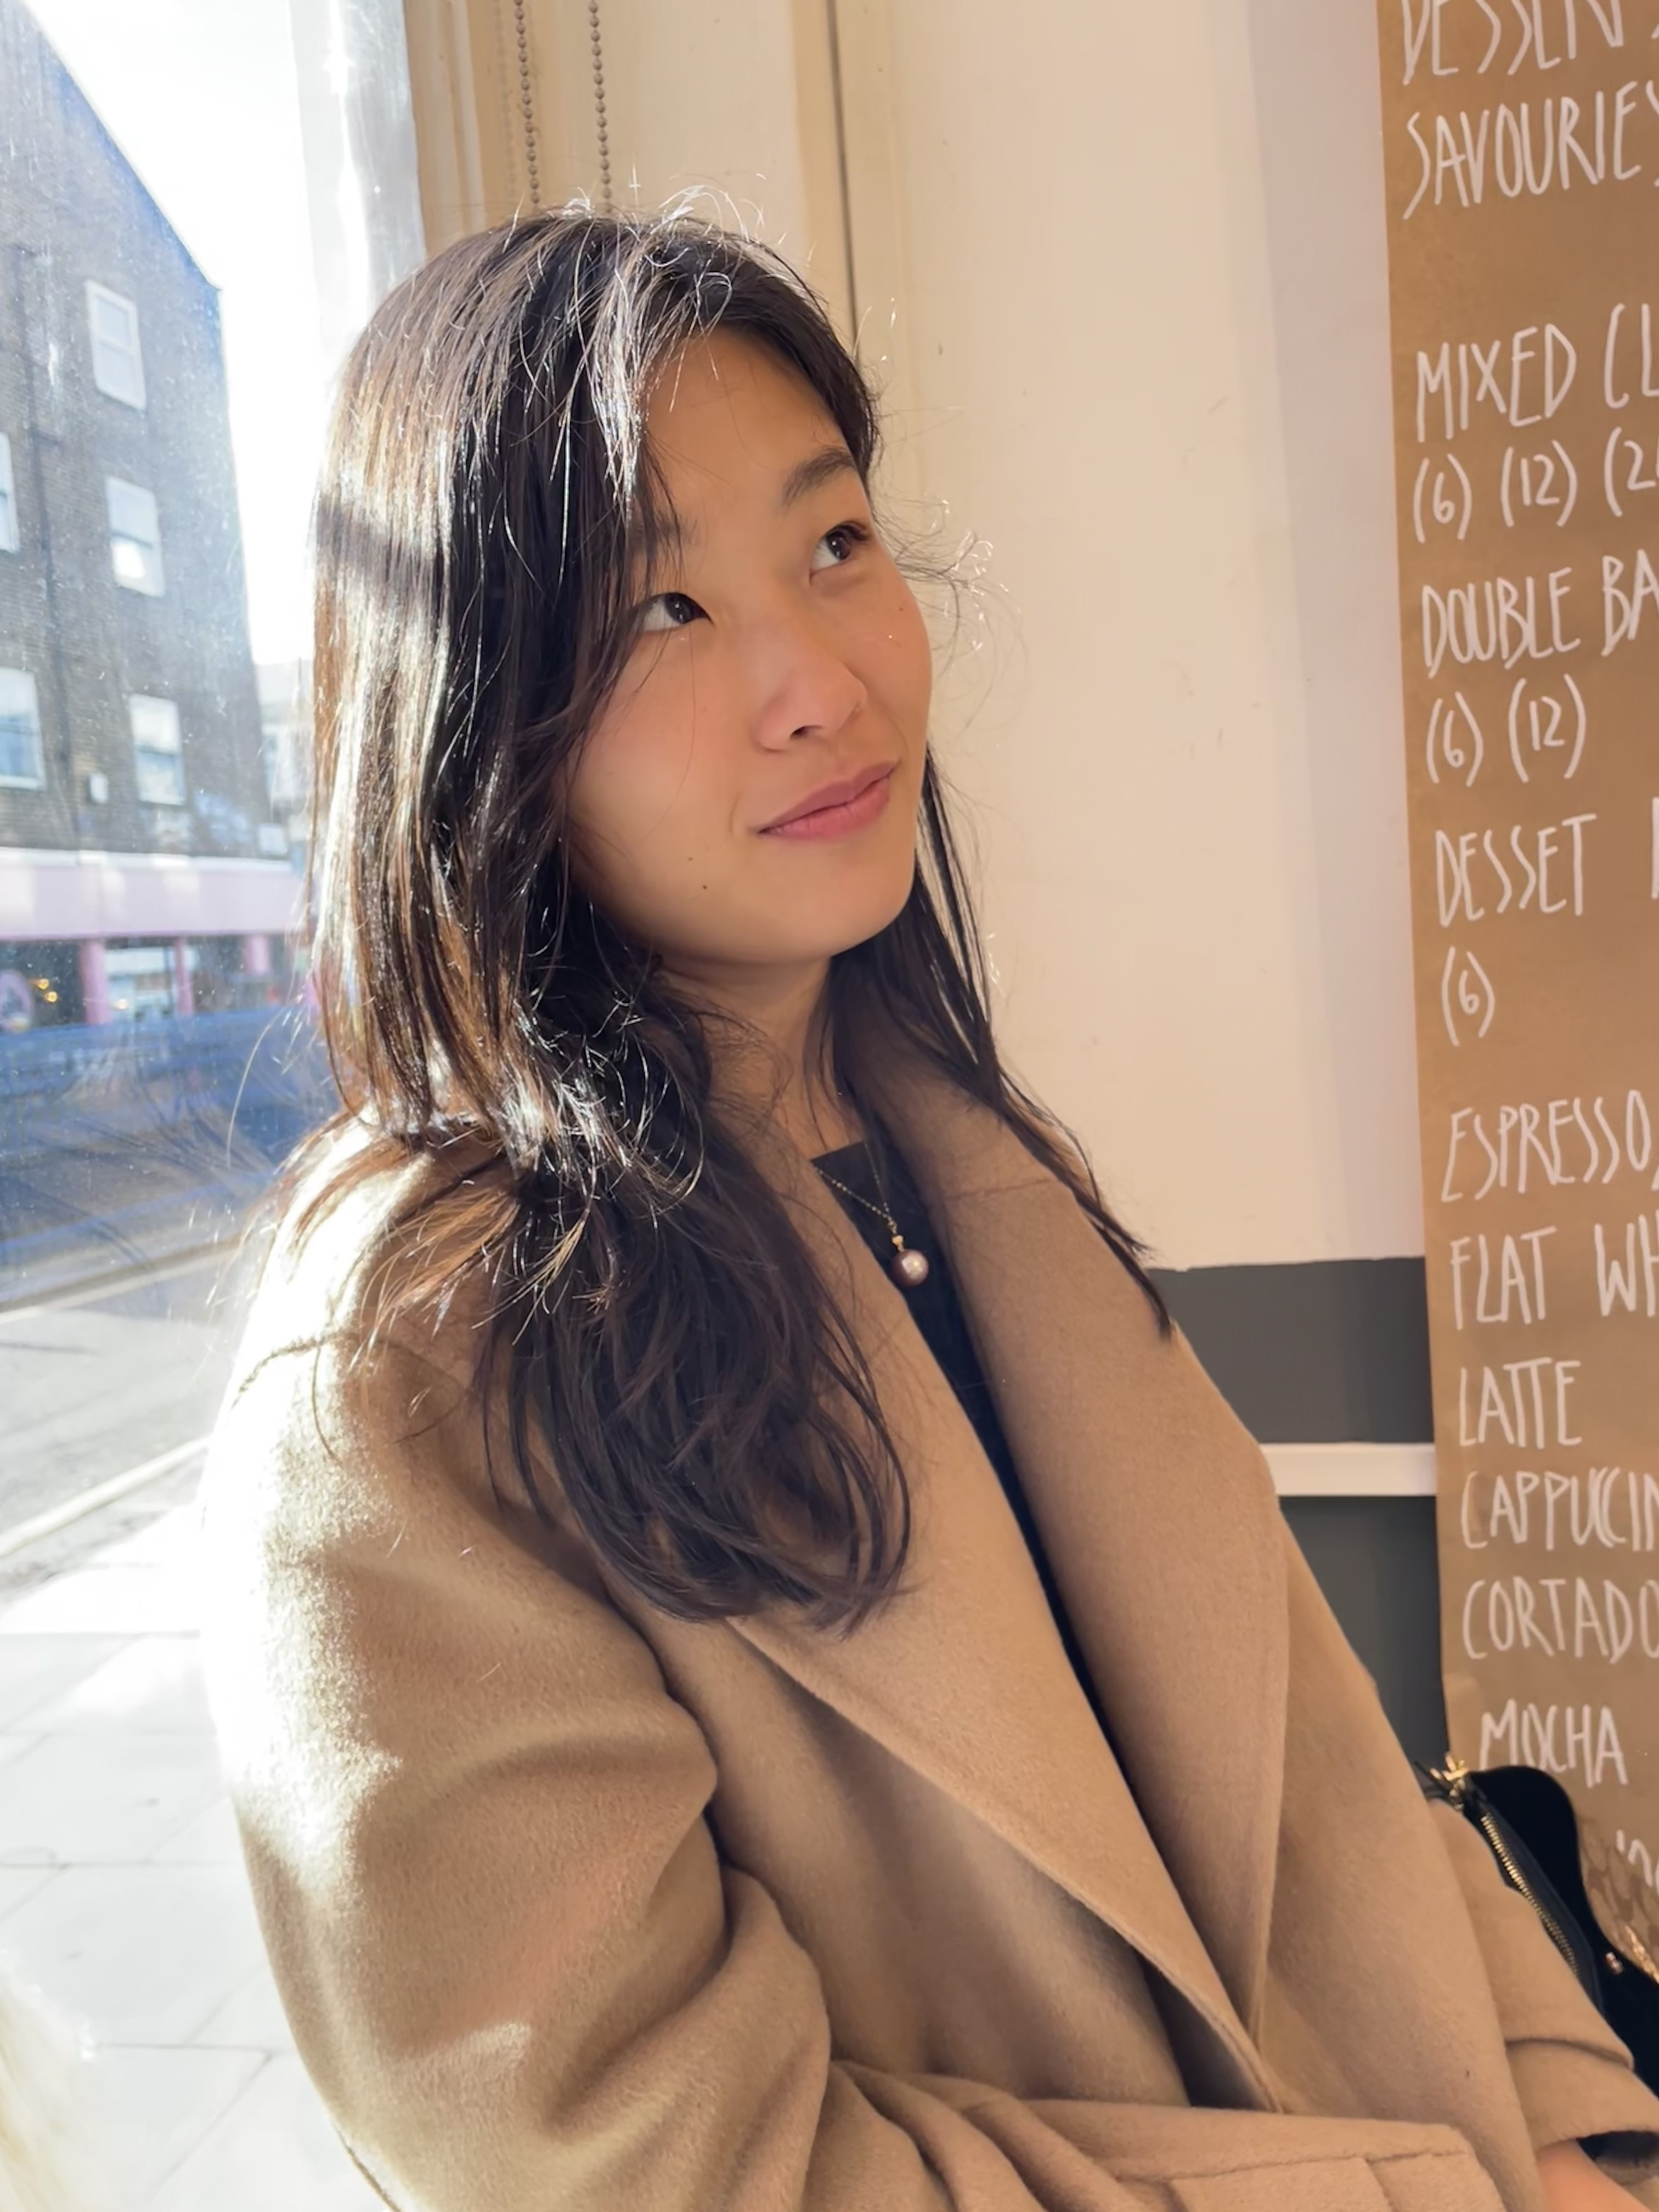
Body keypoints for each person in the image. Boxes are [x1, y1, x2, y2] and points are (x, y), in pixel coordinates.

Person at [200, 210, 1659, 2212]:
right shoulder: (409, 1375)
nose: (817, 677)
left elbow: (1335, 1781)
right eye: (658, 616)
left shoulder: (957, 1152)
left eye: (833, 542)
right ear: (472, 725)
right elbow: (665, 2168)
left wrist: (1575, 2122)